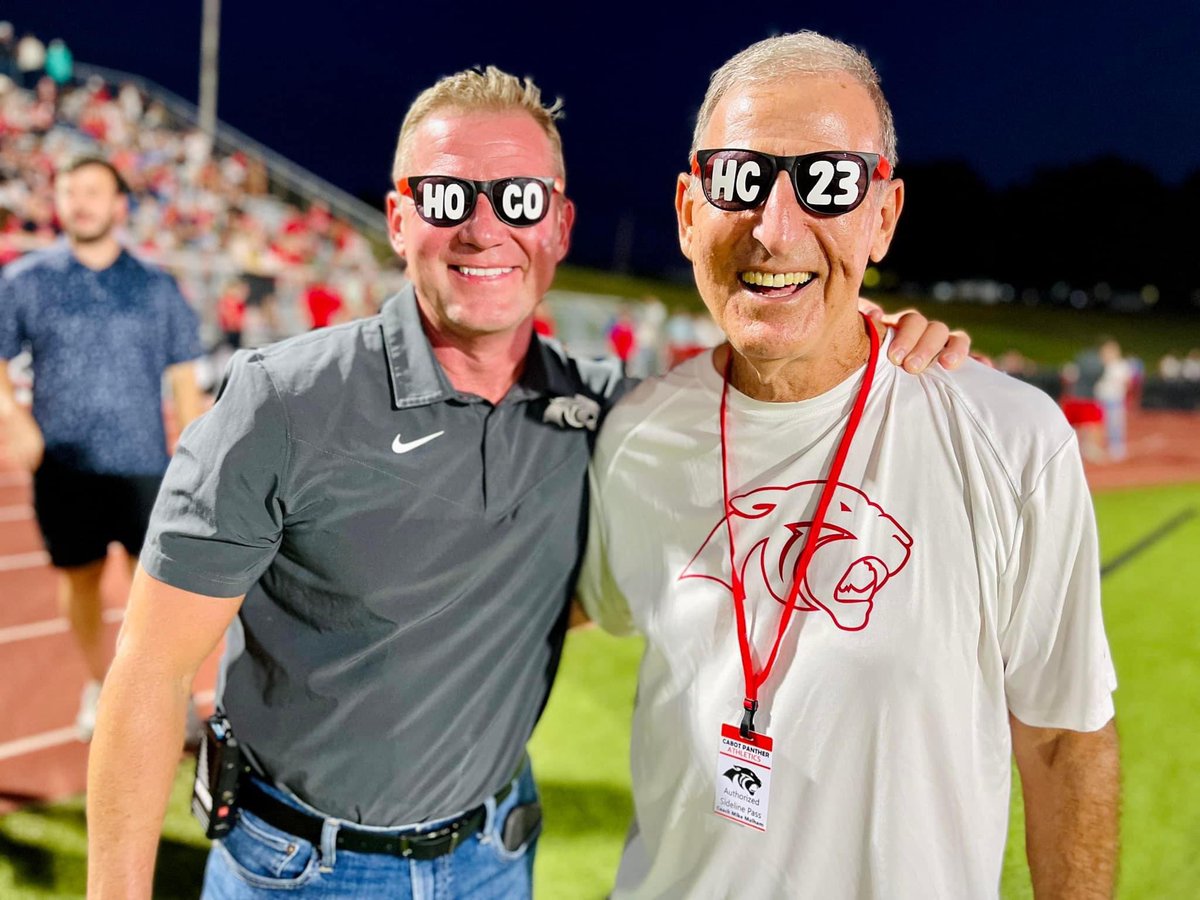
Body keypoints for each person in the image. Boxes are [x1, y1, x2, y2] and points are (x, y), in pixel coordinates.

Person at [85, 65, 969, 899]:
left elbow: (771, 403)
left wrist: (863, 341)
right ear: (398, 219)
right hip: (297, 867)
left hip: (495, 857)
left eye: (518, 199)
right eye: (445, 197)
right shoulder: (282, 402)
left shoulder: (613, 416)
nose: (483, 228)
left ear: (559, 227)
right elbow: (150, 675)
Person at [580, 31, 1118, 899]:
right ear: (688, 210)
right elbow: (558, 605)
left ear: (883, 216)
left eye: (828, 184)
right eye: (739, 179)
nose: (774, 228)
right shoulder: (634, 437)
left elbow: (1063, 739)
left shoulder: (1012, 441)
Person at [0, 156, 204, 741]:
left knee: (162, 589)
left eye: (94, 191)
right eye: (70, 192)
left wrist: (196, 460)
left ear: (120, 205)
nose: (81, 202)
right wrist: (15, 422)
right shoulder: (25, 280)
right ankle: (99, 683)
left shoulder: (156, 286)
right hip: (64, 468)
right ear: (57, 204)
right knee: (80, 581)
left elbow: (186, 381)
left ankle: (170, 692)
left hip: (144, 463)